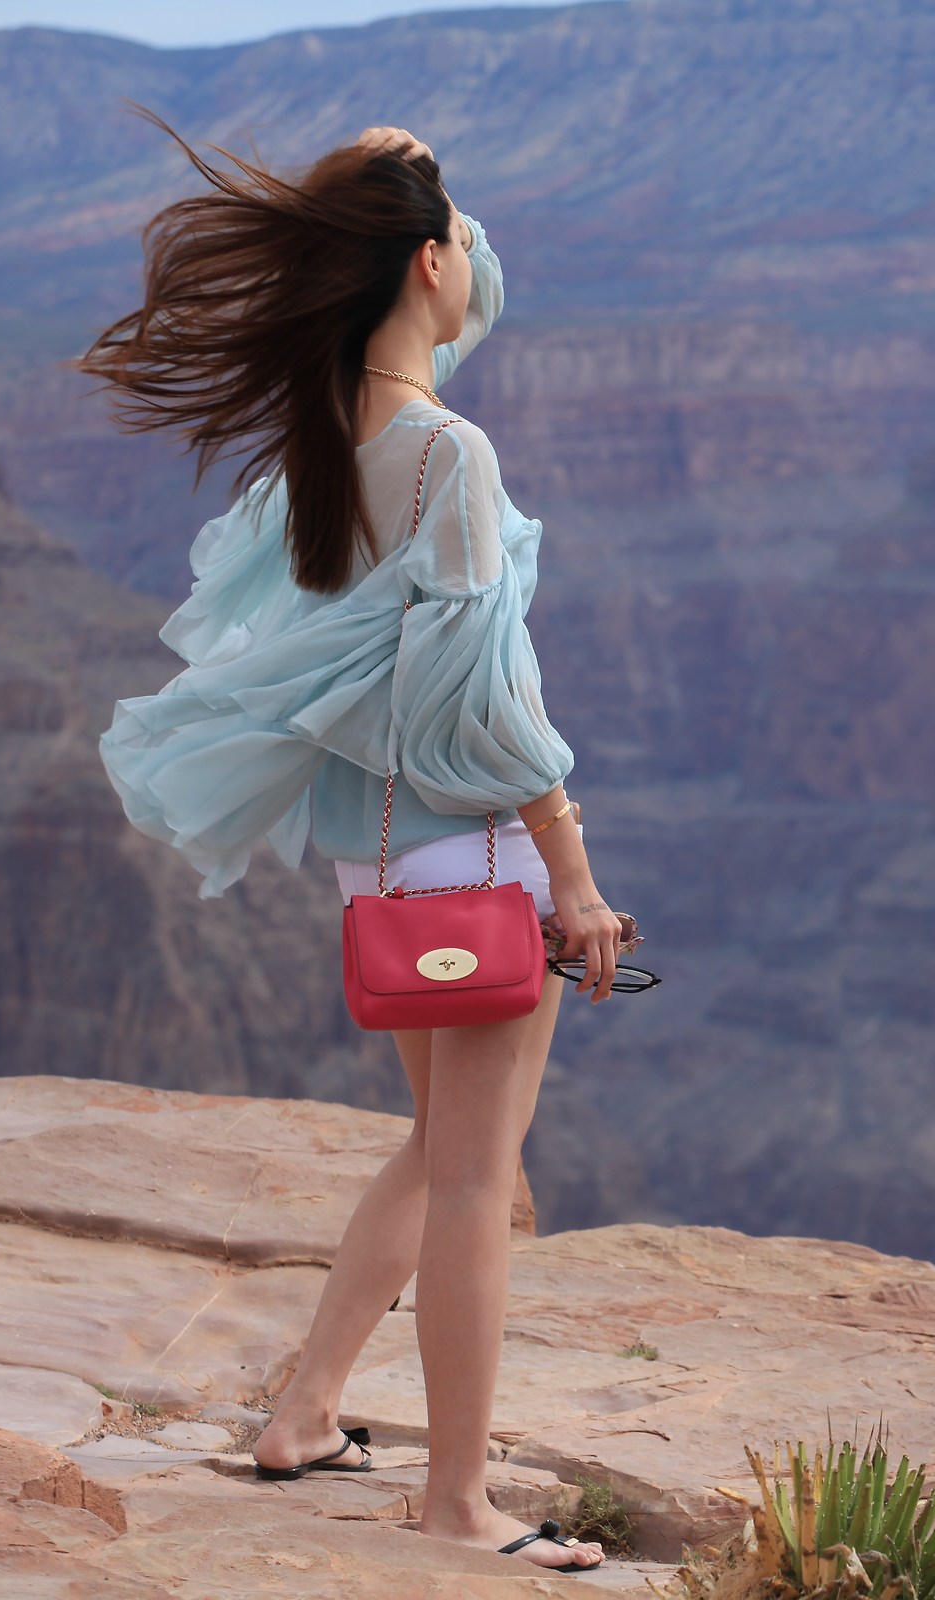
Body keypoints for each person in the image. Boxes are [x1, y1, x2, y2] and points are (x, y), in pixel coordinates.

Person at [78, 115, 616, 1572]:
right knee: (478, 1179)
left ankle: (305, 1412)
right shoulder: (451, 452)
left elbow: (468, 294)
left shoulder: (339, 429)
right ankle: (458, 1502)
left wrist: (430, 185)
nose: (473, 268)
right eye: (452, 244)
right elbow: (493, 707)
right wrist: (572, 873)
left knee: (441, 1149)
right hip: (475, 856)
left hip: (375, 861)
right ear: (426, 264)